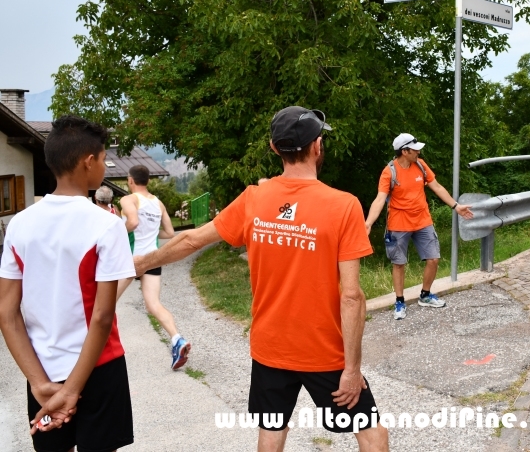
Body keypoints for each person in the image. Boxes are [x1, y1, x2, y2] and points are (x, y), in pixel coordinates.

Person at [132, 106, 389, 451]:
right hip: (325, 353)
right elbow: (352, 296)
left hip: (269, 350)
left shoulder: (254, 199)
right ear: (317, 146)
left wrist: (141, 263)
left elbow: (192, 239)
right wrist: (352, 369)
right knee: (373, 436)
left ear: (274, 148)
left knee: (270, 438)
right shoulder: (344, 206)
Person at [0, 115, 135, 450]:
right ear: (88, 163)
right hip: (99, 370)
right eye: (104, 159)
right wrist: (74, 389)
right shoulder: (106, 225)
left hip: (43, 373)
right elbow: (102, 317)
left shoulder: (19, 225)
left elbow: (7, 313)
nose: (105, 165)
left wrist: (39, 383)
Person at [364, 133, 473, 320]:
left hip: (423, 221)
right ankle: (399, 301)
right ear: (404, 151)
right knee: (399, 264)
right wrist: (368, 223)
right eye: (414, 149)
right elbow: (380, 198)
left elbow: (437, 187)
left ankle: (425, 295)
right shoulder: (389, 172)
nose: (418, 151)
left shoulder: (421, 165)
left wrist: (456, 206)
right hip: (398, 224)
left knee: (434, 259)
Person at [116, 165, 186, 370]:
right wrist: (151, 235)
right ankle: (176, 339)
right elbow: (170, 233)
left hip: (132, 259)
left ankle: (96, 349)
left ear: (130, 180)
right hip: (152, 258)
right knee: (154, 304)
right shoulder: (159, 203)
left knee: (106, 303)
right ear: (148, 180)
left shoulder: (128, 199)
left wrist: (114, 234)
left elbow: (133, 222)